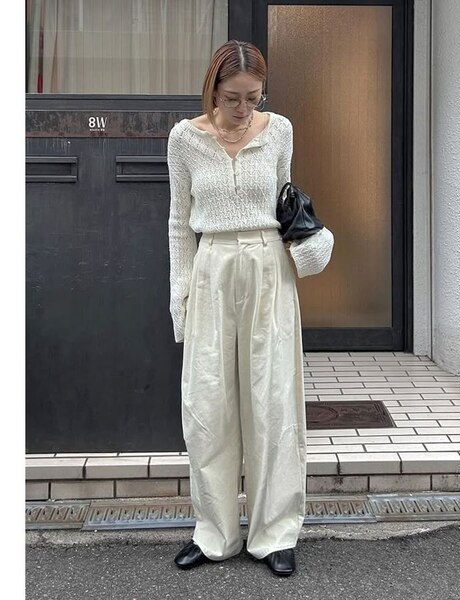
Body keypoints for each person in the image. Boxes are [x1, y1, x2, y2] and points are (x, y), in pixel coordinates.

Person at [167, 40, 308, 577]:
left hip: (269, 267)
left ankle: (275, 534)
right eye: (233, 98)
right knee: (208, 403)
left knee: (273, 401)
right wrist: (180, 295)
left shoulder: (280, 131)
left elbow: (286, 200)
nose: (244, 108)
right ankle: (214, 533)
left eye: (253, 97)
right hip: (212, 267)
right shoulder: (185, 138)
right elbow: (179, 223)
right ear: (213, 90)